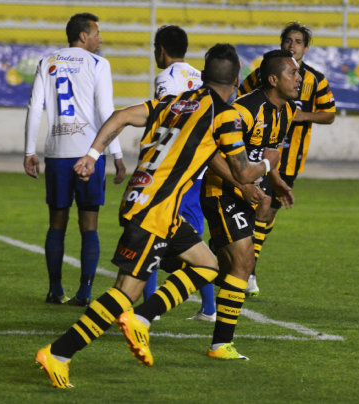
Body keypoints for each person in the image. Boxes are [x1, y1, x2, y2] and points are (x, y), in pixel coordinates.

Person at [35, 43, 280, 388]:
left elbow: (120, 116)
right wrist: (270, 162)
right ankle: (59, 353)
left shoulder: (176, 102)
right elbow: (243, 174)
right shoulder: (225, 115)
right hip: (156, 211)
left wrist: (93, 154)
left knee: (208, 265)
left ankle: (143, 318)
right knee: (125, 291)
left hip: (145, 199)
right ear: (238, 80)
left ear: (204, 76)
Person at [24, 13, 126, 307]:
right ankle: (84, 292)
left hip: (56, 153)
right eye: (97, 33)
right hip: (89, 154)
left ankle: (55, 290)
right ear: (83, 36)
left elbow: (35, 108)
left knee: (57, 223)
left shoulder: (48, 61)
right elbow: (107, 111)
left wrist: (29, 150)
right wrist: (116, 154)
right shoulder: (98, 64)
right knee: (89, 224)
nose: (100, 39)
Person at [239, 22, 336, 296]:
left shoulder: (315, 80)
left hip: (288, 160)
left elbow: (329, 114)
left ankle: (248, 266)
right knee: (258, 208)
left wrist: (299, 115)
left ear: (305, 48)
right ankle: (244, 269)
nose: (292, 45)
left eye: (298, 41)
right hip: (256, 155)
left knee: (266, 215)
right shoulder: (264, 74)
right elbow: (241, 97)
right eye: (288, 40)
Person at [144, 24, 216, 323]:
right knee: (194, 238)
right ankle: (209, 308)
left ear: (161, 50)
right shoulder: (202, 77)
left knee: (152, 233)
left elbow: (169, 115)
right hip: (201, 171)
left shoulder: (167, 78)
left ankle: (150, 309)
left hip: (175, 172)